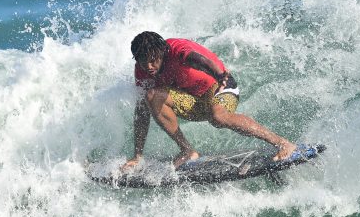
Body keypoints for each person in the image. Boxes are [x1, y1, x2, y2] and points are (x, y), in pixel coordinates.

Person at [122, 31, 297, 170]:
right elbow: (142, 111)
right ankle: (187, 151)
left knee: (218, 116)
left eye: (153, 61)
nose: (149, 67)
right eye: (144, 63)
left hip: (220, 86)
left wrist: (220, 76)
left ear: (161, 52)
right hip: (195, 101)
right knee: (151, 96)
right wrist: (138, 155)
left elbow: (199, 60)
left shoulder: (175, 49)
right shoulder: (142, 71)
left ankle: (284, 144)